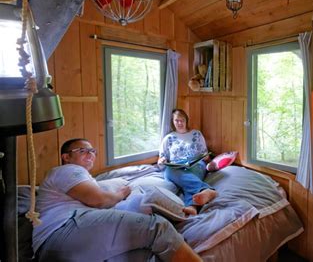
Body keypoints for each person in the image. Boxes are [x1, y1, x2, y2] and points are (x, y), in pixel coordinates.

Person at [33, 138, 201, 262]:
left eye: (92, 151)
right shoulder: (68, 170)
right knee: (158, 228)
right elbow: (98, 200)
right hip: (63, 229)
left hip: (58, 246)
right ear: (66, 157)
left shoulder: (86, 179)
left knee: (145, 255)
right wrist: (122, 193)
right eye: (82, 150)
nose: (90, 154)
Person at [158, 109, 217, 216]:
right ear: (173, 121)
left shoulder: (196, 134)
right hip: (175, 167)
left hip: (195, 164)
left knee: (189, 176)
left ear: (186, 121)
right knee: (169, 171)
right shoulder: (168, 138)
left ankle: (192, 206)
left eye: (182, 120)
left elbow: (205, 155)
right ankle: (206, 190)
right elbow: (162, 161)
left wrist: (208, 159)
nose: (180, 123)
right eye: (177, 120)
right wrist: (161, 161)